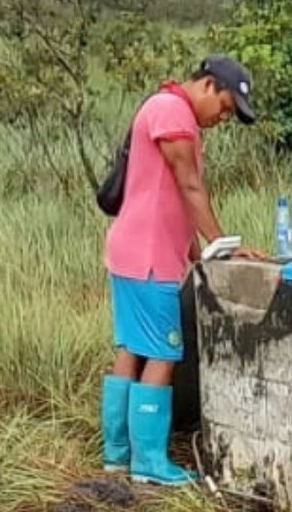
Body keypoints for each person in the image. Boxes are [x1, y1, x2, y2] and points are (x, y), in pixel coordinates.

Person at [102, 57, 255, 486]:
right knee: (165, 355)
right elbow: (188, 185)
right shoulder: (173, 112)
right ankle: (148, 462)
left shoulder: (165, 108)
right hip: (149, 258)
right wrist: (223, 244)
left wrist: (193, 248)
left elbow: (165, 193)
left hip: (133, 250)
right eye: (224, 106)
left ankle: (117, 452)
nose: (223, 118)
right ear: (208, 85)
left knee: (132, 348)